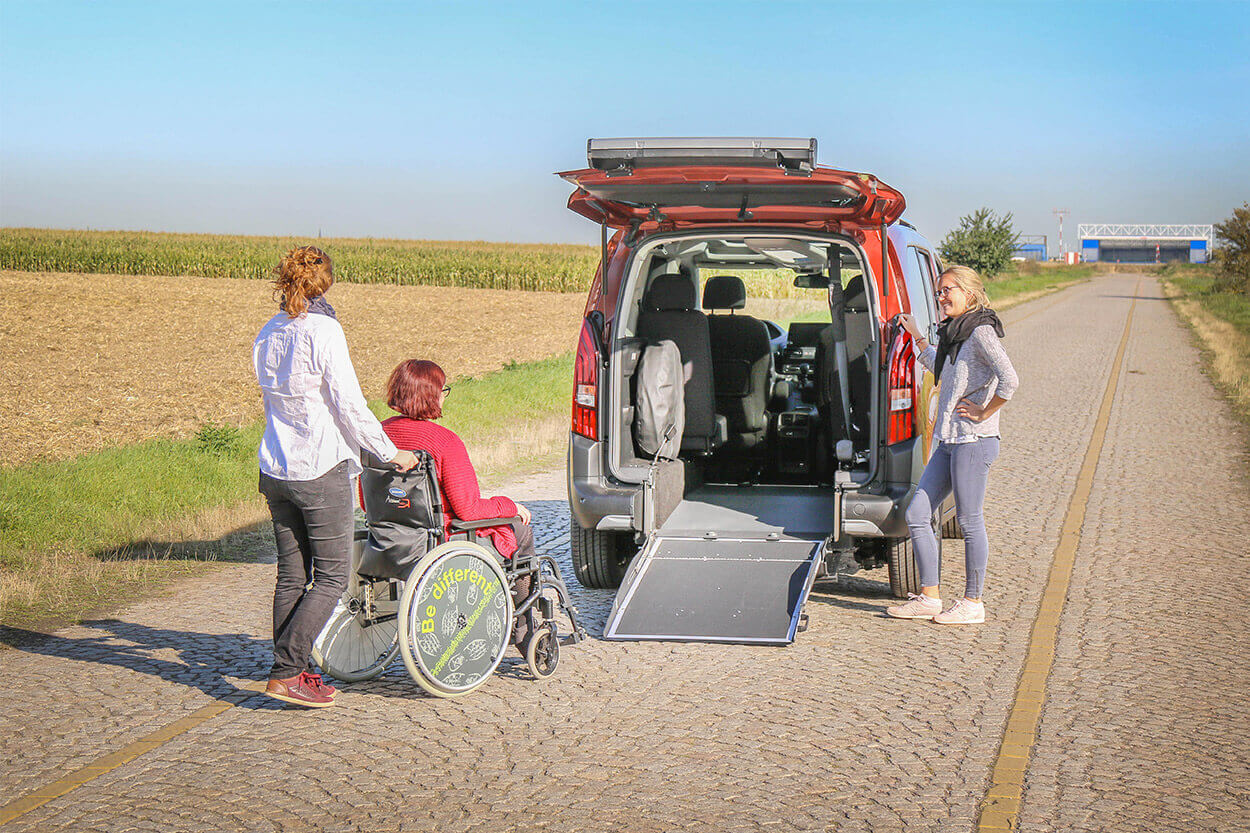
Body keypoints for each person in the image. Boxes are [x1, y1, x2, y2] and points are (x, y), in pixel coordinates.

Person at [253, 246, 418, 708]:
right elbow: (349, 404)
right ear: (325, 284)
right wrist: (391, 454)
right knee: (329, 578)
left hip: (275, 466)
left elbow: (272, 403)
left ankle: (290, 669)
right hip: (319, 469)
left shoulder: (267, 333)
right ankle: (288, 671)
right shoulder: (325, 331)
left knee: (290, 577)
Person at [888, 265, 1019, 625]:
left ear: (970, 294)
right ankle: (929, 597)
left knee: (969, 519)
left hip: (974, 441)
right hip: (950, 439)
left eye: (949, 290)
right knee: (917, 513)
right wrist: (917, 337)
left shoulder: (980, 332)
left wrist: (983, 410)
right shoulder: (956, 335)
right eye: (939, 291)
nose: (941, 297)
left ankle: (973, 603)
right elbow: (942, 371)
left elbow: (1010, 379)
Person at [379, 359, 537, 651]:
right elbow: (469, 510)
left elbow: (368, 501)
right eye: (442, 390)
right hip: (441, 541)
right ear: (431, 395)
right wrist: (509, 505)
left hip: (390, 540)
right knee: (521, 532)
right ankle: (524, 626)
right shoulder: (444, 442)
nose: (443, 396)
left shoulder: (376, 436)